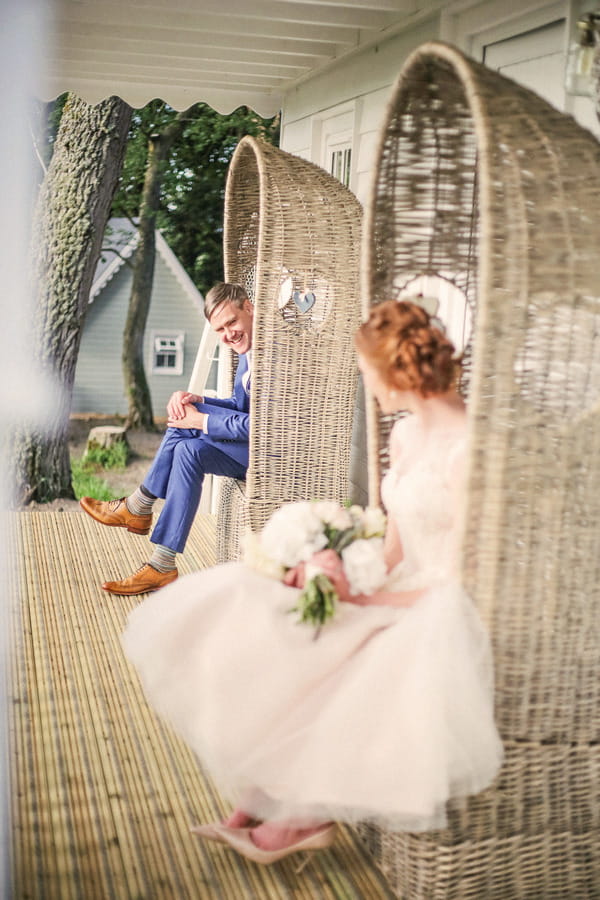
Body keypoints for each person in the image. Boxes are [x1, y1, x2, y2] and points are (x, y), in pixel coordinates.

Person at [121, 299, 503, 863]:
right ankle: (271, 787)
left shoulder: (469, 451)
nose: (369, 388)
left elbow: (466, 574)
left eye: (370, 375)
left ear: (399, 370)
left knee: (350, 651)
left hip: (440, 601)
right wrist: (336, 564)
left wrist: (371, 595)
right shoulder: (405, 437)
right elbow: (396, 543)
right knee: (268, 605)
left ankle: (303, 812)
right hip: (394, 582)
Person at [80, 282, 253, 595]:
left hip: (267, 456)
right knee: (187, 448)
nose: (228, 334)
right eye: (220, 329)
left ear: (249, 308)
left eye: (232, 322)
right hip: (243, 451)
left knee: (186, 423)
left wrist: (200, 417)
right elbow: (240, 408)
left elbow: (261, 427)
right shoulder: (248, 354)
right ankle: (162, 564)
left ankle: (139, 504)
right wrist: (198, 399)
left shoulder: (276, 358)